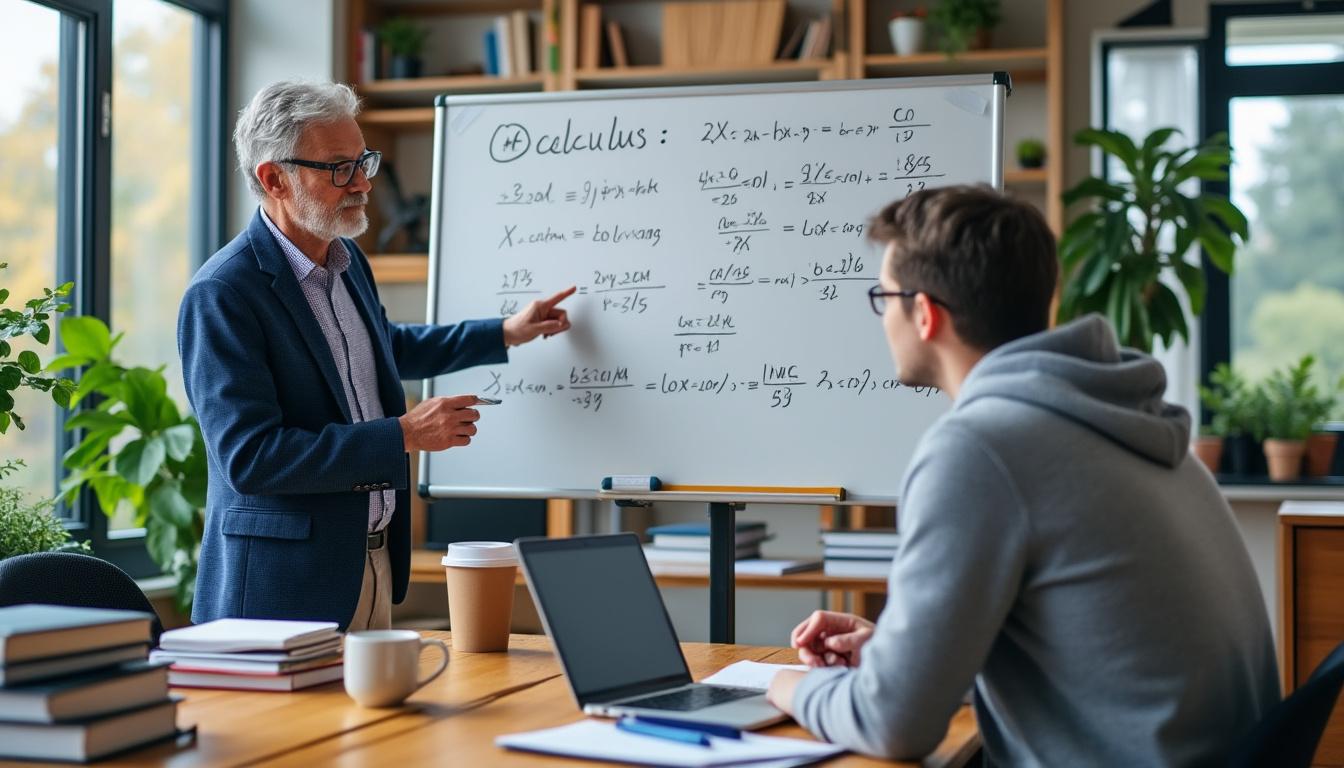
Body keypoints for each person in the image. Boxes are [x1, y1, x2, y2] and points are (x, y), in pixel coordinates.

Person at [764, 185, 1279, 765]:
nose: (883, 319)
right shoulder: (1133, 424)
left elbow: (894, 726)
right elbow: (1101, 659)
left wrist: (787, 687)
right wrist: (897, 656)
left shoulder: (980, 450)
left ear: (926, 314)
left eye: (884, 299)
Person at [178, 81, 574, 631]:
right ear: (274, 179)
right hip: (281, 590)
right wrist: (404, 435)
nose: (363, 182)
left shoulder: (346, 259)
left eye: (364, 160)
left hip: (370, 563)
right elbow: (252, 459)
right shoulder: (222, 293)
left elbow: (385, 349)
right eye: (340, 167)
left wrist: (505, 332)